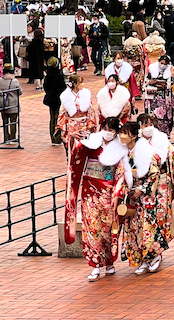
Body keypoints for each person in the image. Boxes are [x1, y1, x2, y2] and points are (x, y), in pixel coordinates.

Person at [115, 120, 174, 275]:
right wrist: (125, 189)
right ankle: (141, 259)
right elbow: (120, 174)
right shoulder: (124, 152)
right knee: (135, 229)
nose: (121, 136)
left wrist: (141, 189)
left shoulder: (145, 150)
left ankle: (154, 256)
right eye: (121, 133)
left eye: (125, 133)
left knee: (148, 227)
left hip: (146, 196)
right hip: (132, 195)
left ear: (134, 136)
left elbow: (154, 173)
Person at [65, 118, 121, 281]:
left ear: (116, 132)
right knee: (92, 228)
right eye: (106, 128)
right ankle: (95, 265)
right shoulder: (91, 143)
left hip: (109, 191)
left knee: (108, 228)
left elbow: (122, 170)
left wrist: (118, 190)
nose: (108, 132)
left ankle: (110, 261)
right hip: (90, 191)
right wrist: (73, 139)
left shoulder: (120, 147)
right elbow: (76, 156)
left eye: (112, 130)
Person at [57, 74, 98, 154]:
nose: (82, 85)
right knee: (72, 150)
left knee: (84, 149)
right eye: (80, 83)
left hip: (84, 124)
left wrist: (90, 125)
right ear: (75, 84)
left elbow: (91, 110)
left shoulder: (86, 94)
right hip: (71, 125)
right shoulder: (66, 96)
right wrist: (62, 127)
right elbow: (62, 113)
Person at [143, 54, 174, 135]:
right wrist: (151, 82)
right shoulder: (152, 69)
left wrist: (171, 76)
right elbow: (146, 81)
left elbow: (171, 84)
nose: (163, 65)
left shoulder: (170, 71)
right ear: (158, 61)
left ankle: (164, 132)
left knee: (163, 116)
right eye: (162, 63)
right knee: (152, 115)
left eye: (165, 64)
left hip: (163, 96)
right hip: (153, 96)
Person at [0, 63, 22, 146]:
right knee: (13, 121)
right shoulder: (14, 81)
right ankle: (13, 137)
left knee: (5, 122)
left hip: (3, 103)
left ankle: (6, 137)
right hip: (13, 103)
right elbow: (20, 92)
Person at [43, 56, 67, 146]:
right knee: (57, 119)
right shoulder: (59, 76)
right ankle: (57, 139)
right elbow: (62, 89)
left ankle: (53, 138)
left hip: (50, 99)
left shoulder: (47, 76)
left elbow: (45, 87)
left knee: (52, 118)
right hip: (58, 100)